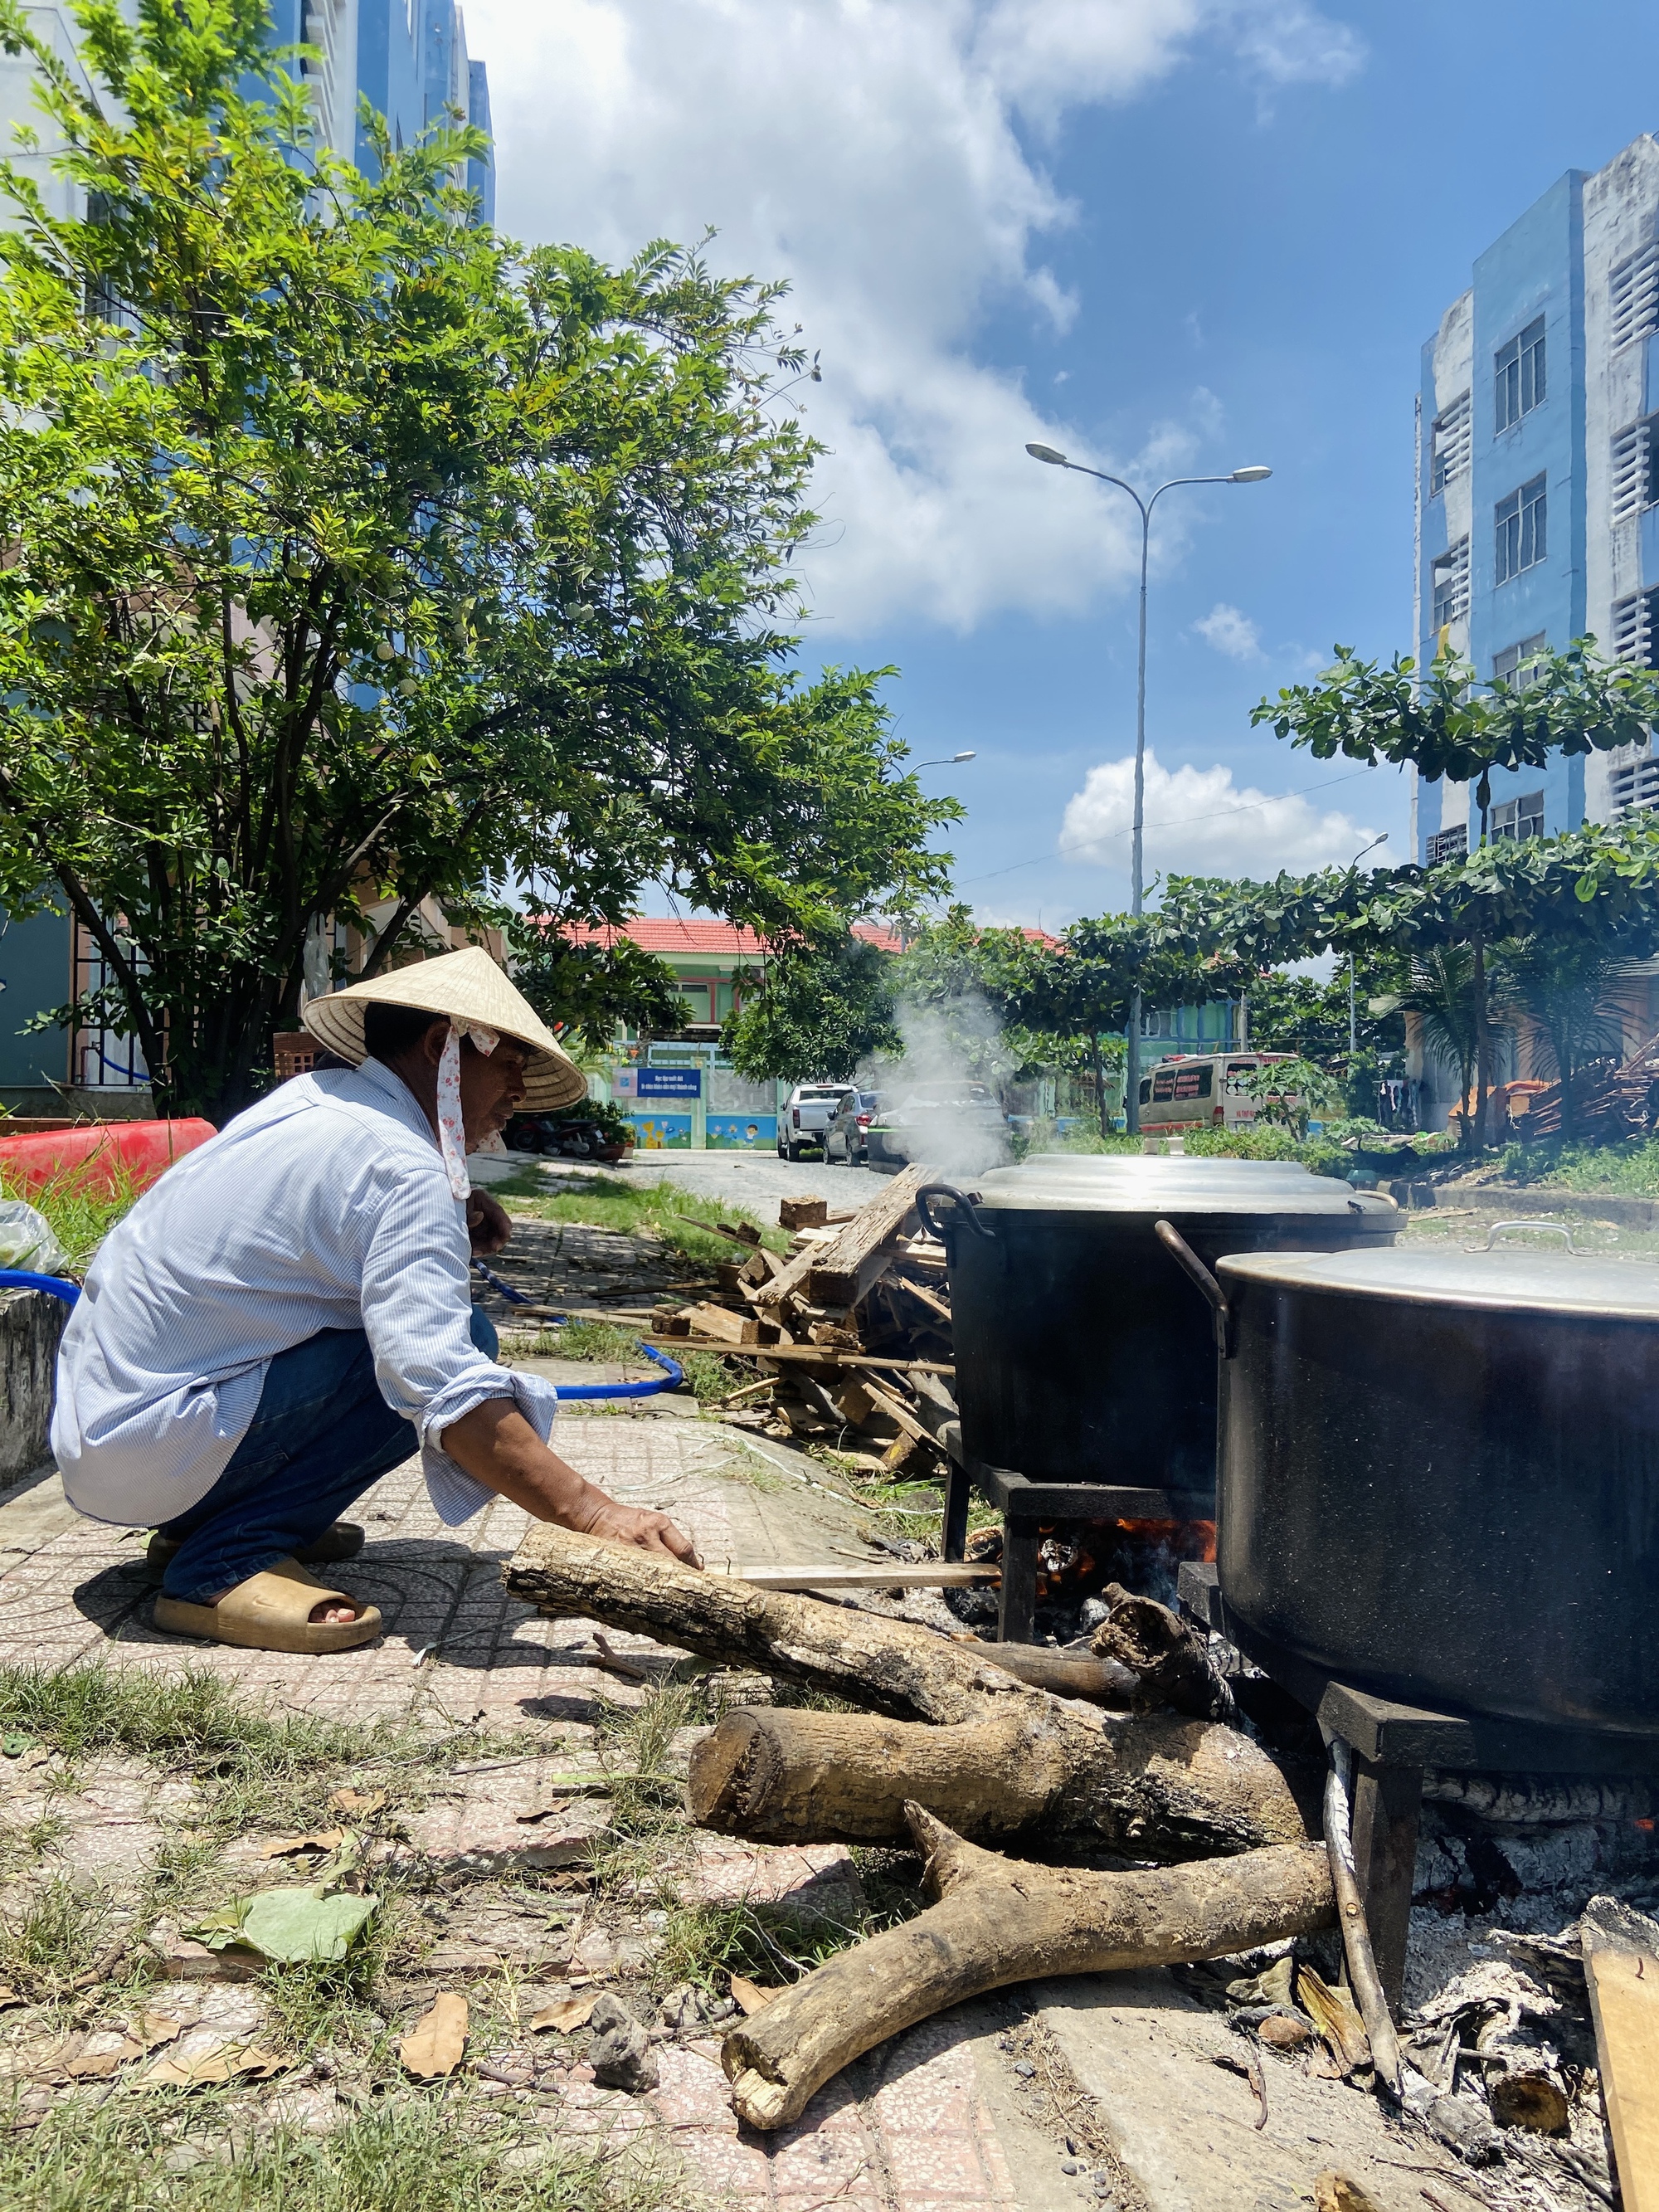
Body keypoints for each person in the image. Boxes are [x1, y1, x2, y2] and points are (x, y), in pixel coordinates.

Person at [51, 948, 701, 1655]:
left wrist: (448, 1207)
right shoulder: (401, 1167)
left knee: (425, 1341)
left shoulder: (320, 1104)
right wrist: (595, 1515)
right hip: (156, 1440)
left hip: (108, 1431)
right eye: (509, 1061)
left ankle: (211, 1522)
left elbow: (319, 1229)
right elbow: (439, 1380)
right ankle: (223, 1560)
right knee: (459, 1351)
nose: (517, 1088)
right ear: (439, 1048)